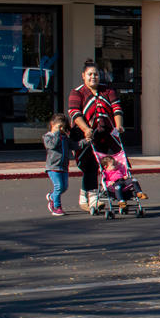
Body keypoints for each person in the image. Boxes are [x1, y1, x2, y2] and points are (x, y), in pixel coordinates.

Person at [68, 59, 125, 210]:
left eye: (96, 74)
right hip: (83, 135)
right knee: (89, 166)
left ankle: (85, 198)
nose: (93, 77)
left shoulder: (108, 91)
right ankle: (92, 199)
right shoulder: (77, 92)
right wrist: (86, 129)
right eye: (90, 74)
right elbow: (75, 113)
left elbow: (116, 108)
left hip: (104, 135)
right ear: (83, 75)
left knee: (98, 165)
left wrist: (119, 126)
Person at [42, 112, 72, 216]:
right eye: (58, 127)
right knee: (58, 186)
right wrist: (56, 133)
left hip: (63, 166)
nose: (60, 129)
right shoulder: (48, 137)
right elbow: (52, 146)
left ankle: (52, 196)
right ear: (52, 124)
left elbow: (73, 145)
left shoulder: (64, 138)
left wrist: (85, 142)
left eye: (62, 127)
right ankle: (56, 206)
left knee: (64, 187)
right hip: (53, 167)